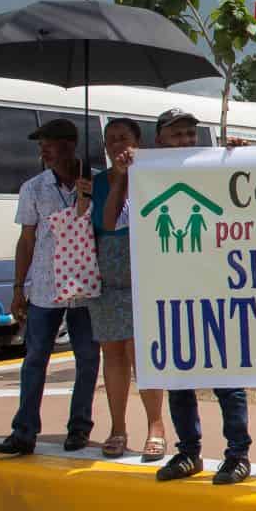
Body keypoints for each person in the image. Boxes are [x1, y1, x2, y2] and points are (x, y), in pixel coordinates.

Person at [148, 108, 253, 485]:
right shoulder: (147, 174)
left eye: (191, 133)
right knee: (178, 377)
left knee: (226, 377)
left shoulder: (214, 167)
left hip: (216, 286)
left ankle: (238, 454)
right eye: (177, 134)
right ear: (159, 140)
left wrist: (237, 158)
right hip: (171, 290)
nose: (186, 141)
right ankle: (188, 453)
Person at [0, 119, 102, 456]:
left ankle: (79, 427)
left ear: (70, 144)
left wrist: (90, 200)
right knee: (35, 358)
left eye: (49, 144)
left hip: (86, 287)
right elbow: (27, 240)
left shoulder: (98, 182)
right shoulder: (34, 188)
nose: (44, 151)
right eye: (41, 146)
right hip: (45, 286)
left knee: (88, 358)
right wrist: (18, 288)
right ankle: (24, 430)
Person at [89, 118, 167, 459]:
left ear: (138, 142)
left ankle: (155, 425)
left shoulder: (153, 174)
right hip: (107, 277)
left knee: (142, 354)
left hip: (144, 275)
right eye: (110, 140)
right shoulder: (96, 182)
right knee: (113, 354)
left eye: (123, 138)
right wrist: (117, 179)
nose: (116, 145)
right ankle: (118, 427)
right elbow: (101, 223)